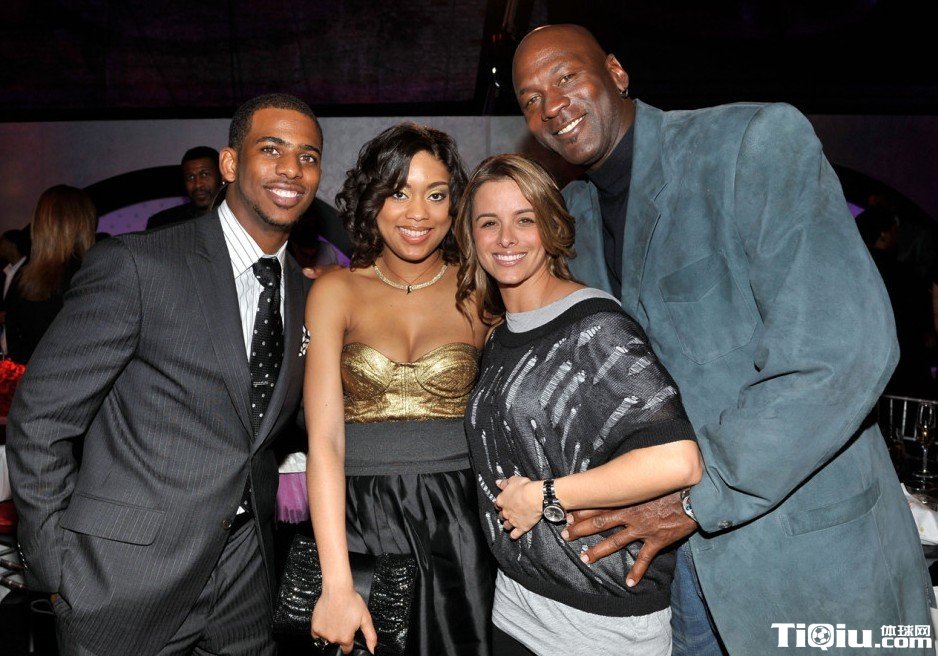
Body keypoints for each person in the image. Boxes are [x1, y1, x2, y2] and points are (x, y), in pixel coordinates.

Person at [512, 23, 933, 656]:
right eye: (530, 98)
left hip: (804, 559)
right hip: (673, 576)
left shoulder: (749, 143)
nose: (551, 106)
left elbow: (842, 352)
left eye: (565, 76)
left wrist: (696, 497)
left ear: (616, 73)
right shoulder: (572, 218)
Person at [7, 93, 321, 656]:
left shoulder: (302, 291)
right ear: (230, 164)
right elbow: (40, 417)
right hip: (122, 578)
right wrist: (57, 564)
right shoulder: (139, 264)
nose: (292, 169)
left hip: (245, 577)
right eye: (272, 149)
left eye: (309, 156)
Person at [455, 153, 701, 656]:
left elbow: (678, 460)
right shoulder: (501, 334)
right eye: (489, 223)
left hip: (599, 621)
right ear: (471, 236)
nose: (506, 238)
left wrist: (545, 495)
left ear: (550, 226)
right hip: (517, 603)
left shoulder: (594, 326)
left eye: (525, 220)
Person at [304, 123, 494, 655]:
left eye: (436, 195)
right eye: (399, 192)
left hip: (462, 523)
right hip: (357, 518)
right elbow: (325, 441)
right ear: (373, 200)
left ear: (455, 205)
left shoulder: (481, 290)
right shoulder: (336, 290)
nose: (418, 213)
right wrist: (336, 582)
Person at [3, 186, 96, 363]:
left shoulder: (22, 280)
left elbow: (15, 347)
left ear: (39, 225)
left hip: (36, 376)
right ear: (86, 222)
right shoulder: (91, 274)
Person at [146, 145, 224, 229]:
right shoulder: (162, 223)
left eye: (205, 174)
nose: (197, 184)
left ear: (222, 176)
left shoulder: (234, 218)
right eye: (190, 177)